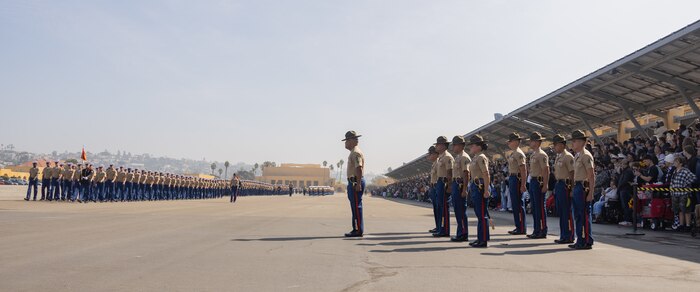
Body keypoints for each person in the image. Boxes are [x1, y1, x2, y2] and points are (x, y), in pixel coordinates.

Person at [570, 130, 595, 250]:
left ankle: (585, 240)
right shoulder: (577, 156)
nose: (572, 144)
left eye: (574, 141)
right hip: (578, 186)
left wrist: (591, 192)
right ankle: (580, 239)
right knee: (578, 215)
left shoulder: (586, 155)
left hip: (584, 187)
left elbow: (591, 175)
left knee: (583, 214)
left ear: (581, 142)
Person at [467, 134, 490, 248]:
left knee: (482, 214)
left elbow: (486, 174)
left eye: (472, 145)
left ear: (479, 146)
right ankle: (480, 237)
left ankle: (483, 239)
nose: (470, 147)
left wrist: (486, 190)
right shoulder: (475, 158)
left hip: (480, 186)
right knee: (479, 214)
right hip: (475, 186)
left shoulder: (481, 157)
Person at [552, 134, 575, 244]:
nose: (554, 147)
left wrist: (571, 189)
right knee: (561, 212)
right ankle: (563, 235)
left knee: (567, 212)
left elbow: (572, 174)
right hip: (559, 184)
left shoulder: (568, 156)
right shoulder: (559, 156)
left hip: (566, 185)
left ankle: (569, 235)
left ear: (562, 145)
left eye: (555, 145)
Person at [527, 132, 549, 239]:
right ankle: (536, 230)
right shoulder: (533, 155)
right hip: (533, 181)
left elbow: (546, 170)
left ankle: (542, 229)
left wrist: (545, 184)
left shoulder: (542, 154)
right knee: (535, 207)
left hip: (539, 182)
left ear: (536, 142)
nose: (530, 143)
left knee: (540, 207)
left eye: (531, 141)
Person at [343, 130, 365, 238]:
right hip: (353, 181)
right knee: (354, 206)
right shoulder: (353, 152)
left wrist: (358, 183)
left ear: (351, 141)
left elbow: (359, 168)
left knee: (356, 206)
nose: (345, 143)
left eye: (346, 141)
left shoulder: (355, 152)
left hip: (355, 181)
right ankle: (356, 228)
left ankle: (358, 229)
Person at [450, 136, 471, 242]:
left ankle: (463, 233)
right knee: (457, 210)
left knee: (461, 211)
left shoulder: (464, 157)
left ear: (460, 145)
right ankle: (460, 232)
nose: (453, 147)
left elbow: (466, 174)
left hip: (460, 185)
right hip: (455, 184)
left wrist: (464, 189)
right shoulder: (458, 157)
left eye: (455, 145)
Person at [506, 132, 528, 235]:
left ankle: (521, 227)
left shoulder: (519, 154)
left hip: (517, 179)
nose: (508, 143)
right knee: (515, 204)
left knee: (519, 204)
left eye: (510, 141)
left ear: (516, 142)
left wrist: (523, 184)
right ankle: (518, 226)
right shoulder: (513, 153)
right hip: (512, 178)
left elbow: (523, 170)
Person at [433, 136, 454, 238]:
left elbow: (450, 172)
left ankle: (445, 230)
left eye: (438, 144)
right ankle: (441, 228)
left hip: (444, 182)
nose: (436, 146)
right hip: (439, 182)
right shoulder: (440, 157)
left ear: (443, 145)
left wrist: (449, 186)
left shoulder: (447, 157)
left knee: (444, 208)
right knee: (441, 207)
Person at [670, 156, 696, 232]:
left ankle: (688, 225)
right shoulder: (675, 171)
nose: (674, 163)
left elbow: (693, 177)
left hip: (684, 193)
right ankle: (681, 224)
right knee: (679, 210)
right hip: (675, 193)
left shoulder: (685, 171)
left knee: (686, 210)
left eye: (676, 162)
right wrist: (671, 190)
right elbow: (672, 181)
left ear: (681, 163)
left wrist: (685, 184)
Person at [427, 146, 440, 233]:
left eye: (430, 154)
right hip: (433, 187)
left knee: (439, 209)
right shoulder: (434, 163)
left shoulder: (439, 162)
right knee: (435, 209)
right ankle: (438, 226)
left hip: (437, 186)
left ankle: (440, 227)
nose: (429, 156)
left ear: (435, 154)